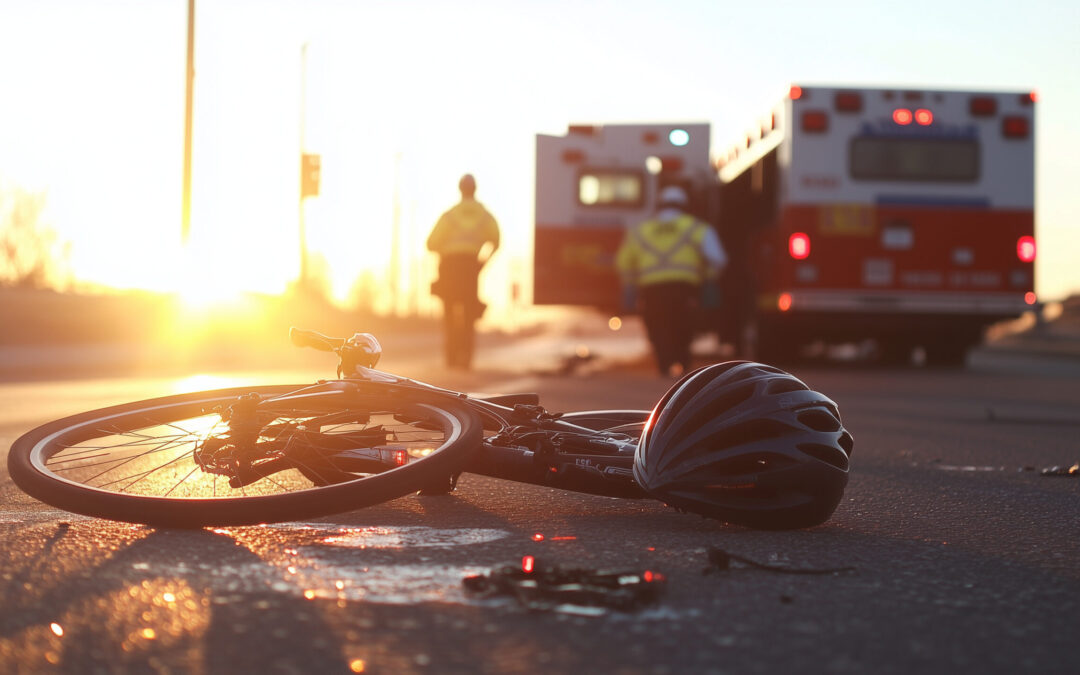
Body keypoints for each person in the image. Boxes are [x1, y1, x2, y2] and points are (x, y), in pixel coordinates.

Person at [615, 184, 727, 376]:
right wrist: (708, 279)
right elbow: (718, 259)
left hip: (652, 289)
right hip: (684, 288)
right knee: (683, 326)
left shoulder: (640, 230)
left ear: (659, 205)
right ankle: (683, 364)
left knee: (657, 326)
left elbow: (623, 262)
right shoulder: (696, 227)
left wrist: (630, 286)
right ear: (684, 206)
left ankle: (663, 365)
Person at [427, 173, 500, 369]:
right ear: (475, 189)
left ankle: (451, 359)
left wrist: (443, 251)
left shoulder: (450, 215)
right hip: (470, 268)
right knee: (469, 315)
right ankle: (466, 359)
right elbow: (497, 240)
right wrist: (482, 263)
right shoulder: (484, 215)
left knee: (450, 313)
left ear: (460, 189)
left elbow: (431, 243)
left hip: (450, 268)